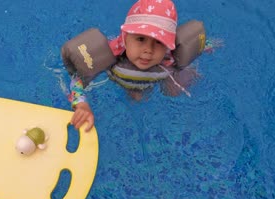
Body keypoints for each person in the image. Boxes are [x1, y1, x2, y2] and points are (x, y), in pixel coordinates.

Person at [61, 0, 210, 131]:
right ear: (125, 38)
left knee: (174, 91)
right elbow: (77, 80)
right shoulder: (110, 57)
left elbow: (193, 46)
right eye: (140, 39)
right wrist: (81, 105)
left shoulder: (169, 57)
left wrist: (206, 46)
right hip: (125, 81)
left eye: (159, 41)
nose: (148, 50)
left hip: (159, 77)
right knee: (135, 98)